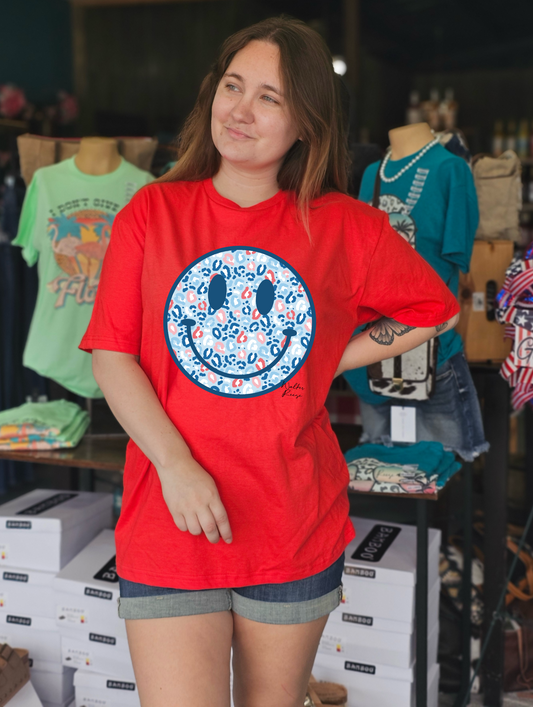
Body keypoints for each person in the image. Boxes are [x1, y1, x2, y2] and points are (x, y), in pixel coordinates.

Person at [79, 16, 460, 707]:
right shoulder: (153, 211)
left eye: (269, 98)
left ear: (305, 122)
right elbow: (111, 356)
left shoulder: (346, 225)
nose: (240, 110)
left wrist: (323, 359)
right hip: (171, 517)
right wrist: (176, 465)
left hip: (289, 521)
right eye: (232, 86)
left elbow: (433, 308)